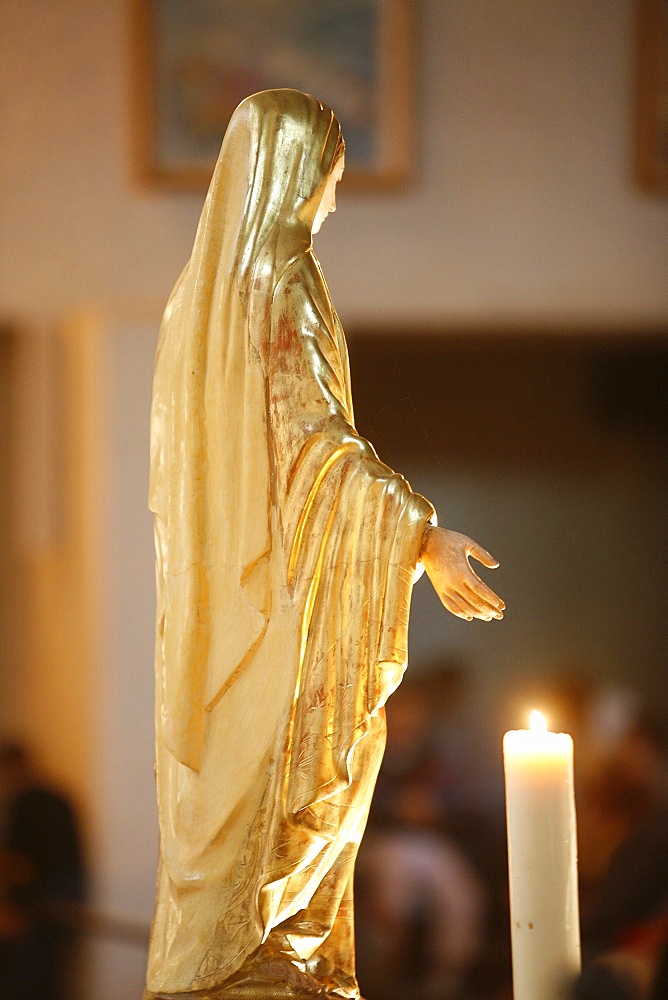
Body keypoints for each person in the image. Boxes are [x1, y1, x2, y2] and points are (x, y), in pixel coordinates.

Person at [144, 89, 504, 999]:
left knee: (241, 804)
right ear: (297, 171)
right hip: (284, 608)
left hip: (228, 605)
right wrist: (421, 535)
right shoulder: (282, 274)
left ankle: (237, 958)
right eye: (329, 175)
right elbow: (317, 444)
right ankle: (261, 958)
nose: (333, 198)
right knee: (290, 794)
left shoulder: (202, 292)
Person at [0, 741, 85, 1000]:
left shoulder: (28, 803)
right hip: (62, 909)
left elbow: (23, 865)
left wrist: (13, 906)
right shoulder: (57, 798)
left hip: (37, 911)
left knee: (28, 983)